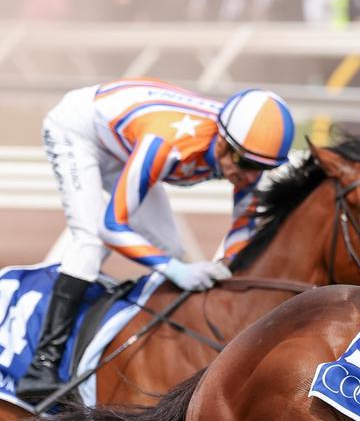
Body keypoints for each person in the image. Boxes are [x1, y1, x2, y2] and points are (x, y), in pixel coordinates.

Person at [15, 80, 295, 403]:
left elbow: (243, 228)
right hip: (79, 133)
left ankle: (138, 332)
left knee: (170, 248)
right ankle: (42, 366)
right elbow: (112, 226)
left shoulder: (243, 154)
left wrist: (225, 268)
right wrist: (174, 269)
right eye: (246, 164)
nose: (250, 176)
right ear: (222, 142)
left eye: (262, 168)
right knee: (91, 240)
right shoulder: (168, 145)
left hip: (126, 145)